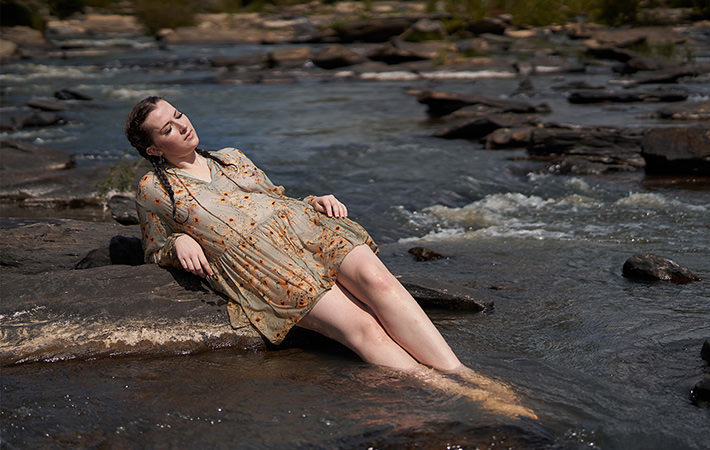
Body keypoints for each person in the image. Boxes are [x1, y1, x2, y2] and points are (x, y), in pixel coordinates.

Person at [125, 96, 537, 419]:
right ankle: (453, 396)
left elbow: (274, 199)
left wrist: (315, 200)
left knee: (381, 285)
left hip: (307, 228)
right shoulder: (152, 189)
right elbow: (152, 249)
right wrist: (177, 241)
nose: (183, 125)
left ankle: (463, 376)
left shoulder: (231, 156)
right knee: (363, 329)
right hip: (264, 265)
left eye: (179, 115)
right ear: (154, 148)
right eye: (168, 128)